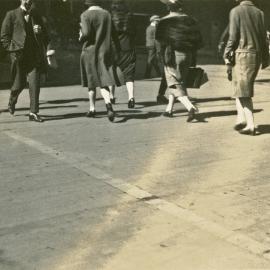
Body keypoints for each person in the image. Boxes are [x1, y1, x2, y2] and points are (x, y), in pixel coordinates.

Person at [0, 0, 50, 122]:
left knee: (35, 84)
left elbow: (47, 37)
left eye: (31, 0)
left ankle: (33, 112)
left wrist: (40, 32)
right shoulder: (11, 14)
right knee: (19, 84)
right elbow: (4, 36)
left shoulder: (37, 16)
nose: (29, 2)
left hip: (34, 56)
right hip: (19, 57)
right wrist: (13, 50)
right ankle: (13, 99)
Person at [224, 0, 269, 135]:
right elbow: (263, 38)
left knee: (244, 91)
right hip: (255, 54)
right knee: (240, 88)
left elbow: (233, 36)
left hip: (242, 54)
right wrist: (266, 57)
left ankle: (250, 125)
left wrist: (226, 52)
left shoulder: (236, 11)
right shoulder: (259, 13)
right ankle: (242, 119)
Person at [156, 0, 203, 121]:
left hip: (172, 55)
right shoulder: (190, 20)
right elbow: (198, 40)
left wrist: (160, 56)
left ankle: (190, 107)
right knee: (179, 82)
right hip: (188, 55)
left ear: (168, 7)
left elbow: (159, 41)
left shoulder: (164, 21)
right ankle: (169, 109)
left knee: (173, 82)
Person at [79, 0, 124, 122]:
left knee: (91, 81)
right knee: (103, 80)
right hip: (105, 51)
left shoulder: (85, 15)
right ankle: (108, 104)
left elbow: (86, 33)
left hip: (90, 51)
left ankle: (92, 109)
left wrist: (80, 36)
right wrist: (118, 49)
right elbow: (114, 33)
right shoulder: (107, 14)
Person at [110, 0, 136, 109]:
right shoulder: (130, 17)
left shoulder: (110, 18)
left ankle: (111, 96)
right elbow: (135, 32)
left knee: (111, 72)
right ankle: (131, 97)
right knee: (129, 74)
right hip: (128, 47)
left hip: (114, 47)